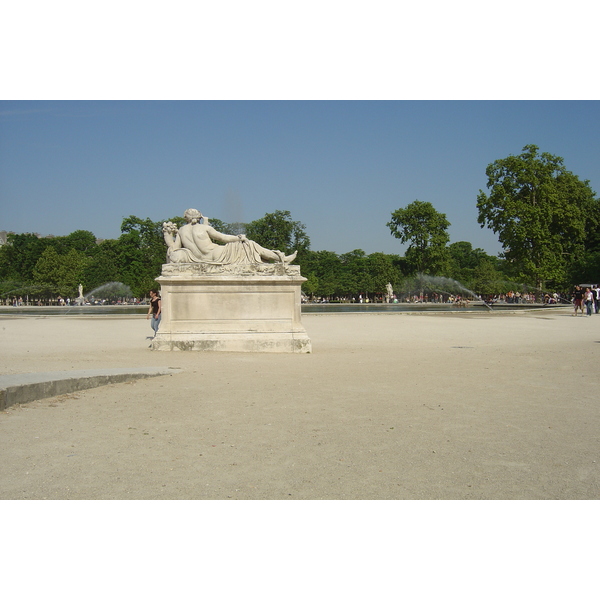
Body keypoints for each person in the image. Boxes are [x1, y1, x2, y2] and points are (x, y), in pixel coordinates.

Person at [163, 209, 297, 265]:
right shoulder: (204, 228)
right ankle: (281, 258)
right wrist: (239, 238)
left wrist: (167, 234)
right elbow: (224, 238)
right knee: (250, 245)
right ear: (199, 217)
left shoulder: (181, 230)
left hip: (200, 258)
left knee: (250, 248)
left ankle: (280, 258)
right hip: (218, 254)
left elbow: (173, 247)